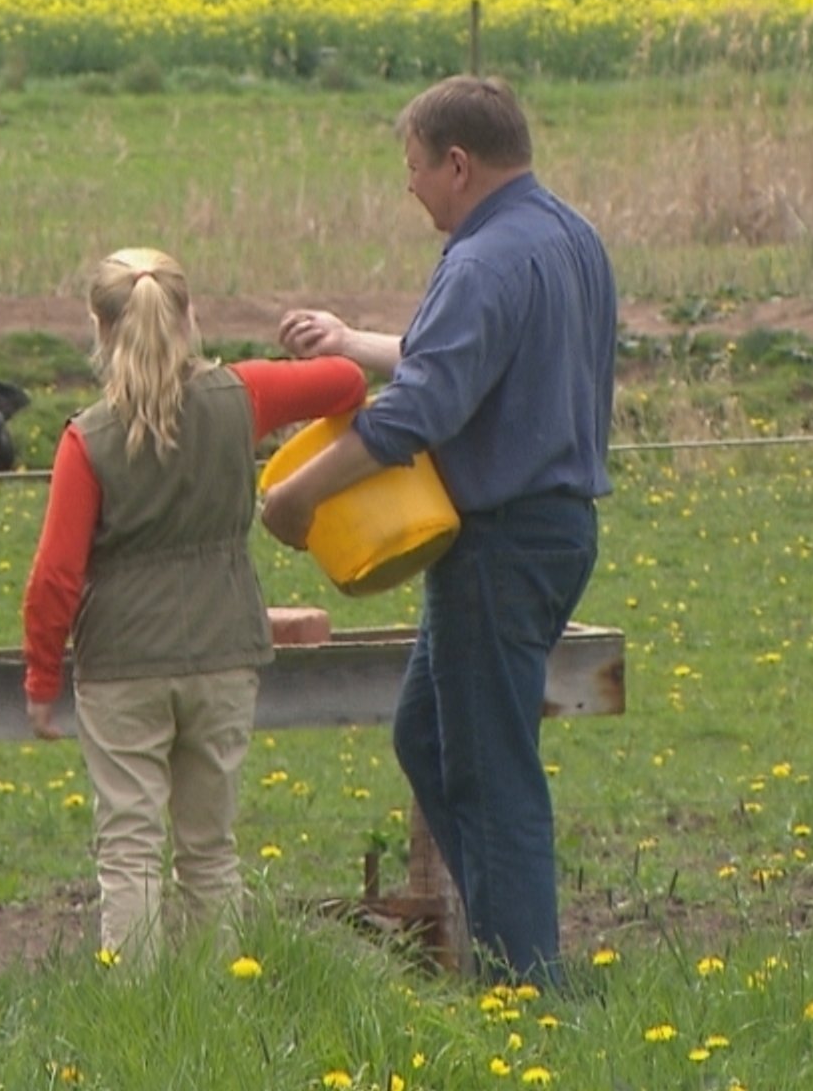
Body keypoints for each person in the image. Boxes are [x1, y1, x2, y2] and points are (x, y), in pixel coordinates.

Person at [261, 75, 617, 986]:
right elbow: (461, 361)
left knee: (494, 778)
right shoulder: (568, 238)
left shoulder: (482, 259)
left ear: (458, 164)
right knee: (428, 738)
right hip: (554, 532)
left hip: (497, 545)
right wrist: (351, 341)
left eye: (415, 168)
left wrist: (296, 496)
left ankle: (528, 992)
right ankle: (517, 946)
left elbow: (416, 411)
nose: (411, 186)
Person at [22, 247, 366, 966]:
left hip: (121, 664)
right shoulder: (244, 396)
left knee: (130, 850)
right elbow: (347, 382)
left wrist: (41, 682)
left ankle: (137, 1009)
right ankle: (217, 1001)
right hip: (225, 653)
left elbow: (56, 573)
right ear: (189, 317)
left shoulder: (88, 438)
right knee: (209, 851)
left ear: (99, 325)